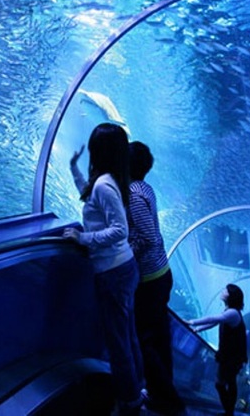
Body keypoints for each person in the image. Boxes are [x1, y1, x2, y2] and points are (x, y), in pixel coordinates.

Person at [64, 123, 144, 416]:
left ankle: (130, 402)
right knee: (128, 335)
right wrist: (73, 167)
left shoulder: (104, 185)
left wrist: (83, 238)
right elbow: (91, 197)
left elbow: (119, 230)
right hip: (122, 269)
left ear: (100, 151)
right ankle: (137, 388)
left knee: (118, 342)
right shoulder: (108, 182)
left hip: (113, 272)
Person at [127, 141, 185, 415]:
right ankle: (164, 393)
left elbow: (148, 237)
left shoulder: (132, 195)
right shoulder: (145, 188)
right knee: (160, 338)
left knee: (144, 339)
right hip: (162, 273)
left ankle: (167, 401)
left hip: (150, 278)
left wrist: (125, 252)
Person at [188, 284, 247, 416]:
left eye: (226, 290)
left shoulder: (232, 312)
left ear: (231, 296)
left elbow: (213, 319)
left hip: (231, 357)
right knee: (230, 382)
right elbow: (215, 322)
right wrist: (198, 329)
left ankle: (228, 411)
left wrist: (192, 322)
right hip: (231, 355)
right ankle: (229, 411)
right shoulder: (230, 311)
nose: (222, 291)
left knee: (221, 384)